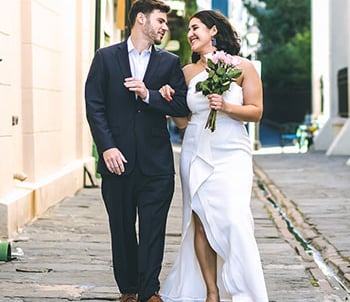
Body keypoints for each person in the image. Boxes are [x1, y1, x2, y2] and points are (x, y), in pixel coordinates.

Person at [159, 10, 269, 302]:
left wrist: (226, 107)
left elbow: (256, 111)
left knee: (235, 219)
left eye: (196, 28)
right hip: (195, 150)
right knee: (201, 222)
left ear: (214, 31)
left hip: (231, 151)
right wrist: (171, 104)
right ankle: (211, 292)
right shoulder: (186, 72)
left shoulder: (242, 67)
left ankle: (245, 290)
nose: (190, 34)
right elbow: (183, 121)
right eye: (189, 30)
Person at [84, 1, 190, 301]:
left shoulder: (169, 62)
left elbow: (182, 106)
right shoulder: (105, 58)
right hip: (117, 162)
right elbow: (94, 106)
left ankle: (149, 291)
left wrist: (150, 95)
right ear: (140, 19)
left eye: (165, 23)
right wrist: (106, 148)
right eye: (159, 21)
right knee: (121, 230)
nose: (164, 27)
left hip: (156, 164)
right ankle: (128, 290)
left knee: (153, 230)